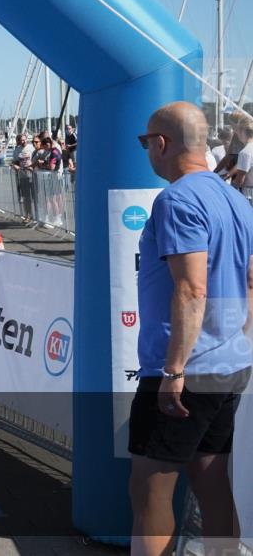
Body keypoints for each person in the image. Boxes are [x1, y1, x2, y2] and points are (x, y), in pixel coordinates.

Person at [129, 101, 253, 556]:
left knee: (150, 490)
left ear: (160, 143)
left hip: (188, 369)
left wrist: (175, 370)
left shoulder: (177, 200)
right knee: (211, 479)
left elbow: (192, 288)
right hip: (227, 362)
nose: (147, 150)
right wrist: (237, 337)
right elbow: (251, 279)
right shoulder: (234, 198)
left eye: (145, 142)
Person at [11, 133, 35, 221]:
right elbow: (14, 162)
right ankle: (28, 215)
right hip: (22, 175)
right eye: (21, 140)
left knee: (34, 196)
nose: (23, 141)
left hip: (32, 175)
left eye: (24, 139)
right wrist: (15, 166)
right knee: (26, 197)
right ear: (18, 141)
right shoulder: (17, 150)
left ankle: (36, 215)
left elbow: (35, 160)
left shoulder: (31, 148)